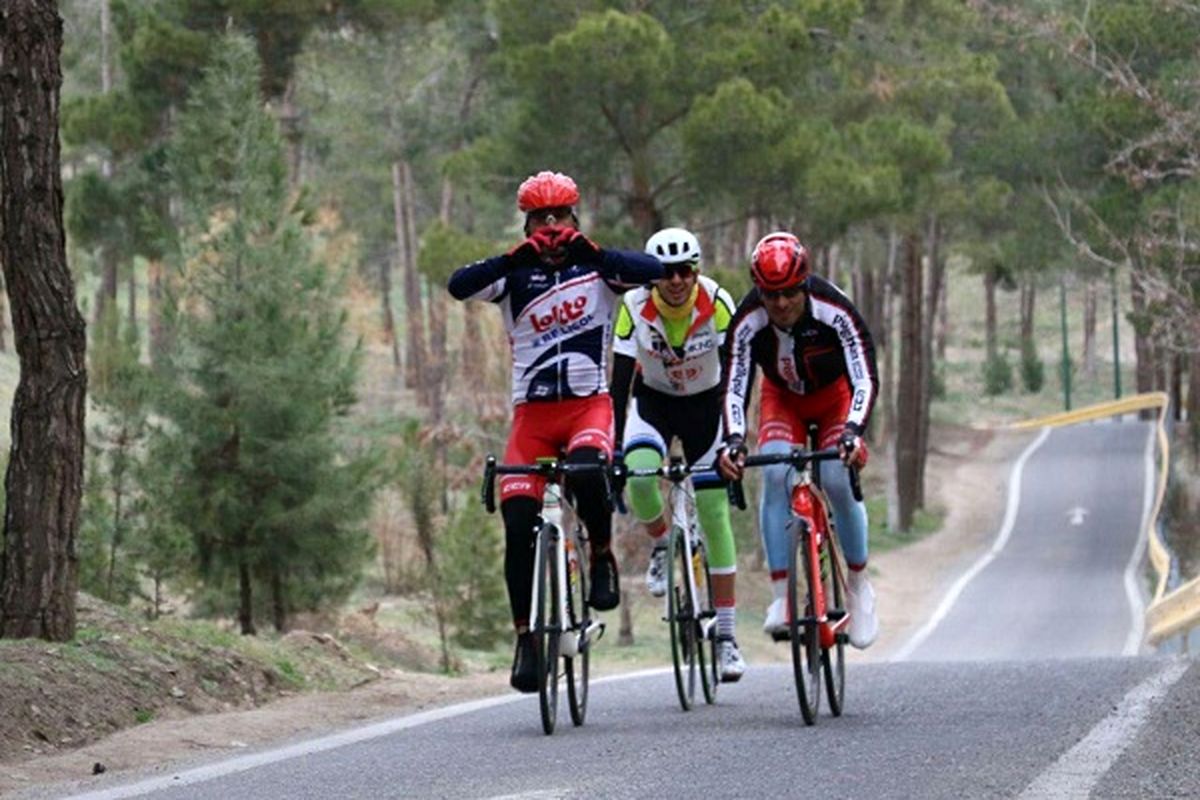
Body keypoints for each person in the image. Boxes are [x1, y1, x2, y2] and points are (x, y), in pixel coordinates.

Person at [447, 171, 663, 692]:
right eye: (540, 218)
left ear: (574, 219)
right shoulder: (512, 279)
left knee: (589, 471)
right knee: (518, 521)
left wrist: (593, 251)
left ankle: (601, 555)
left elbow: (653, 269)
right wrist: (515, 256)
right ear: (526, 223)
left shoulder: (599, 271)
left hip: (588, 408)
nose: (550, 227)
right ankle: (526, 638)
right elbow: (459, 284)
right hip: (533, 418)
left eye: (559, 216)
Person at [716, 231, 880, 649]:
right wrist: (733, 440)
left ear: (805, 284)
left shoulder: (834, 308)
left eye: (790, 292)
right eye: (771, 295)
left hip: (835, 400)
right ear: (759, 291)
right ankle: (781, 597)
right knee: (773, 475)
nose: (782, 303)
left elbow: (864, 375)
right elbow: (734, 388)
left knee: (838, 480)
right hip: (782, 399)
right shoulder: (748, 319)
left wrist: (853, 432)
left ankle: (860, 587)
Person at [610, 227, 747, 682]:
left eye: (685, 270)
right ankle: (663, 542)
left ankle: (726, 637)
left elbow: (738, 372)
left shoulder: (719, 301)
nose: (676, 280)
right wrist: (612, 441)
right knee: (641, 476)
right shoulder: (632, 305)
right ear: (652, 276)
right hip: (654, 404)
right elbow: (620, 378)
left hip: (708, 407)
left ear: (697, 270)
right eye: (666, 272)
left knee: (713, 513)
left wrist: (735, 435)